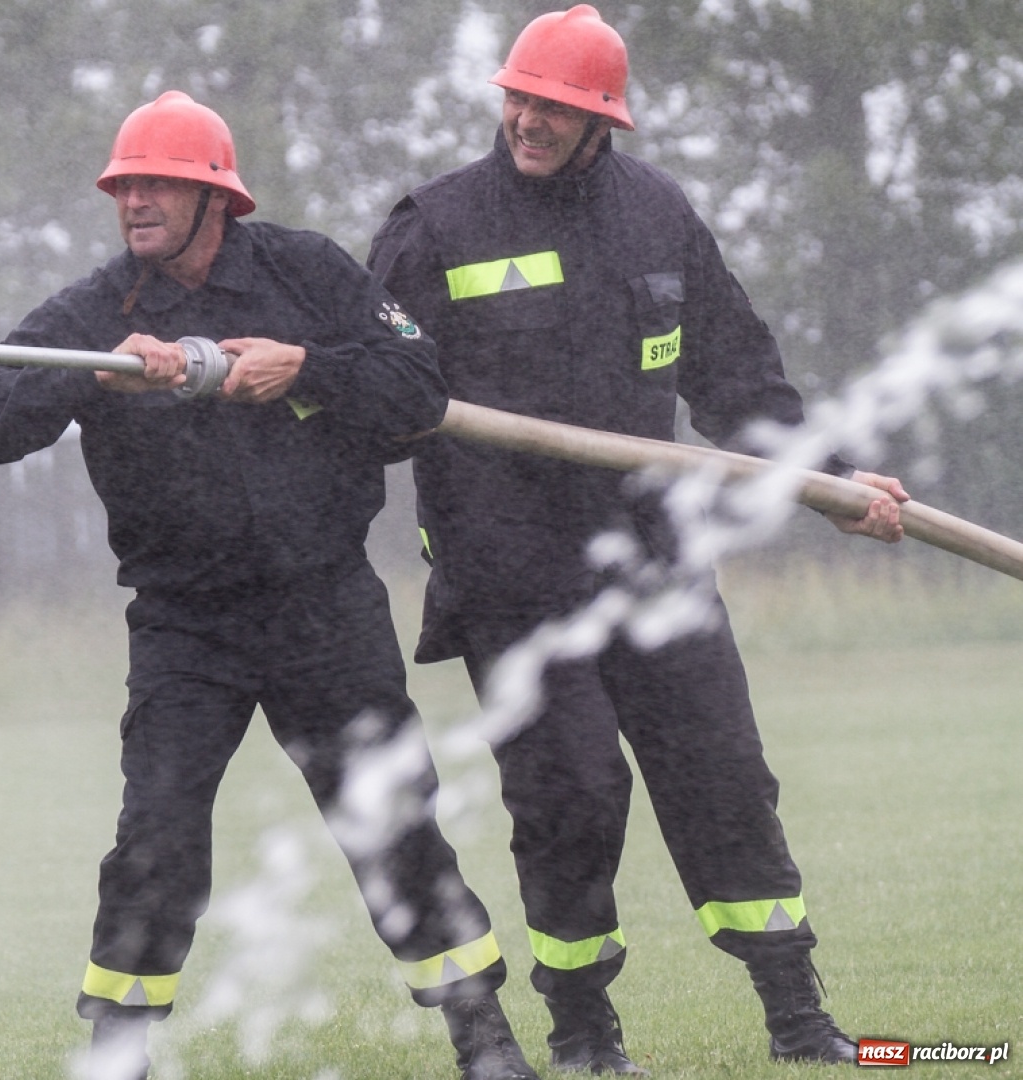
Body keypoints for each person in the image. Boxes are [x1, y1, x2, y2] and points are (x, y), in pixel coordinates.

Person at [0, 91, 540, 1080]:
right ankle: (121, 1057)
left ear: (215, 196)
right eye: (122, 184)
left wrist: (304, 369)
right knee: (157, 836)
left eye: (156, 184)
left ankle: (485, 1044)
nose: (132, 200)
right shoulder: (100, 311)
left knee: (393, 823)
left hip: (325, 607)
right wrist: (90, 377)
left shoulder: (306, 274)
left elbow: (417, 389)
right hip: (186, 624)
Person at [367, 6, 909, 1074]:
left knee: (725, 778)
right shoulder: (435, 226)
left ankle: (798, 1017)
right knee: (571, 796)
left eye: (555, 108)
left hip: (654, 566)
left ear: (599, 119)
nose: (529, 120)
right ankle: (580, 1028)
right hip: (514, 581)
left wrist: (833, 480)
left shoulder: (658, 216)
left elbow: (739, 379)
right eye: (519, 98)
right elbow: (371, 394)